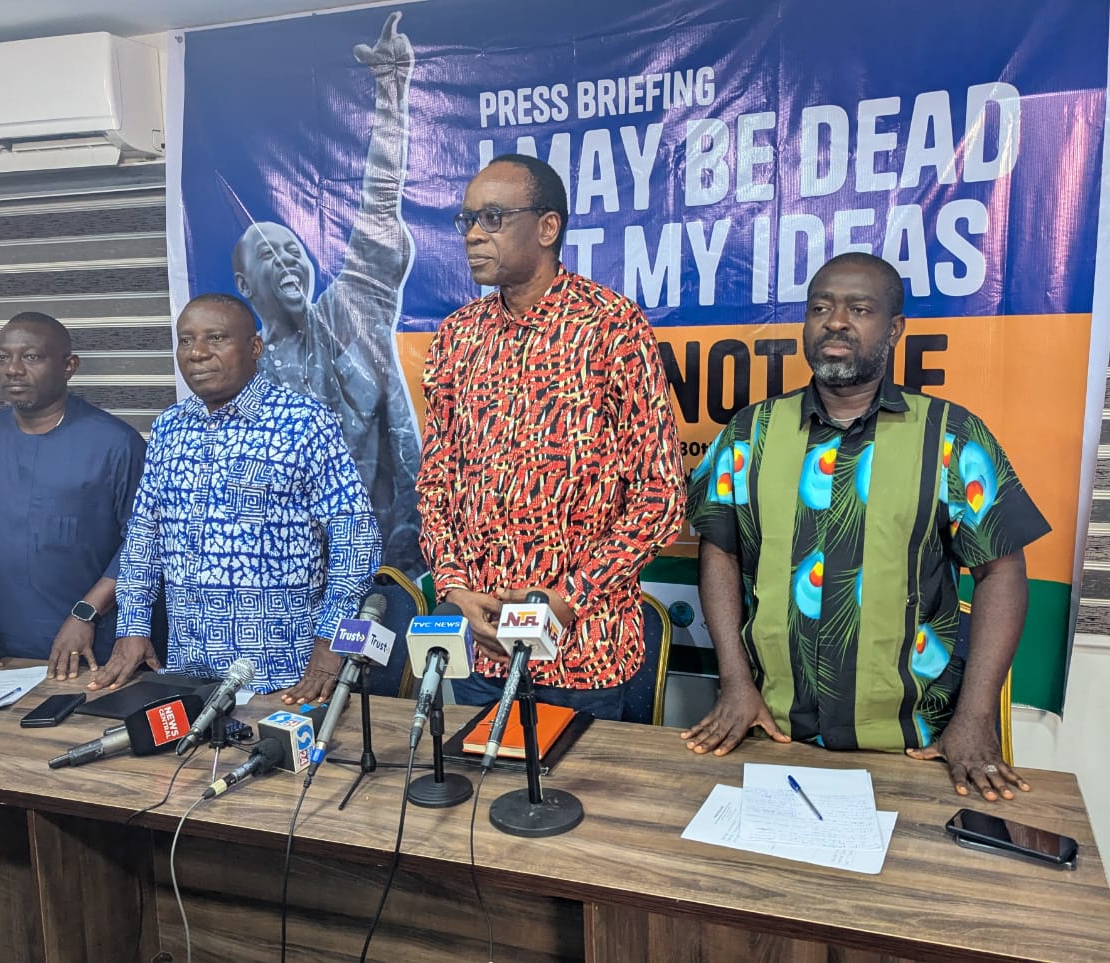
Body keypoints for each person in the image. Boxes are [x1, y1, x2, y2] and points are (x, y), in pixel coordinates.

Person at [681, 252, 1051, 801]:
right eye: (821, 307)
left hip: (915, 743)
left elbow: (1001, 572)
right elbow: (720, 554)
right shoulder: (748, 433)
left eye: (859, 309)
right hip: (772, 730)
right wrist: (735, 684)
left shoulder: (951, 437)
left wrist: (974, 718)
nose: (836, 322)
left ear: (895, 329)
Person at [417, 154, 686, 721]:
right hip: (484, 653)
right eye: (466, 220)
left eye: (491, 217)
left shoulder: (611, 327)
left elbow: (661, 495)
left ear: (547, 227)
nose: (472, 235)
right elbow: (437, 482)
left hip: (585, 653)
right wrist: (456, 590)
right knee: (479, 800)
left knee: (582, 807)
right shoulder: (455, 338)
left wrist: (569, 598)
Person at [90, 293, 381, 702]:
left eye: (216, 338)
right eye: (186, 340)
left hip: (285, 677)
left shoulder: (302, 422)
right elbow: (144, 536)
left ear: (254, 348)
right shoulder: (169, 427)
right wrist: (133, 625)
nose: (197, 353)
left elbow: (356, 538)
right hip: (188, 672)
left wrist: (331, 642)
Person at [232, 11, 422, 578]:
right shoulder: (240, 383)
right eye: (270, 254)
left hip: (391, 565)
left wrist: (391, 95)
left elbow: (379, 206)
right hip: (290, 581)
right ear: (244, 286)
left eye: (295, 251)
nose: (288, 259)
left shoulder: (348, 313)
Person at [0, 312, 146, 683]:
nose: (13, 369)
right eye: (2, 358)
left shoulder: (116, 443)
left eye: (31, 357)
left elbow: (143, 543)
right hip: (4, 646)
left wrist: (86, 613)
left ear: (69, 366)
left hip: (96, 646)